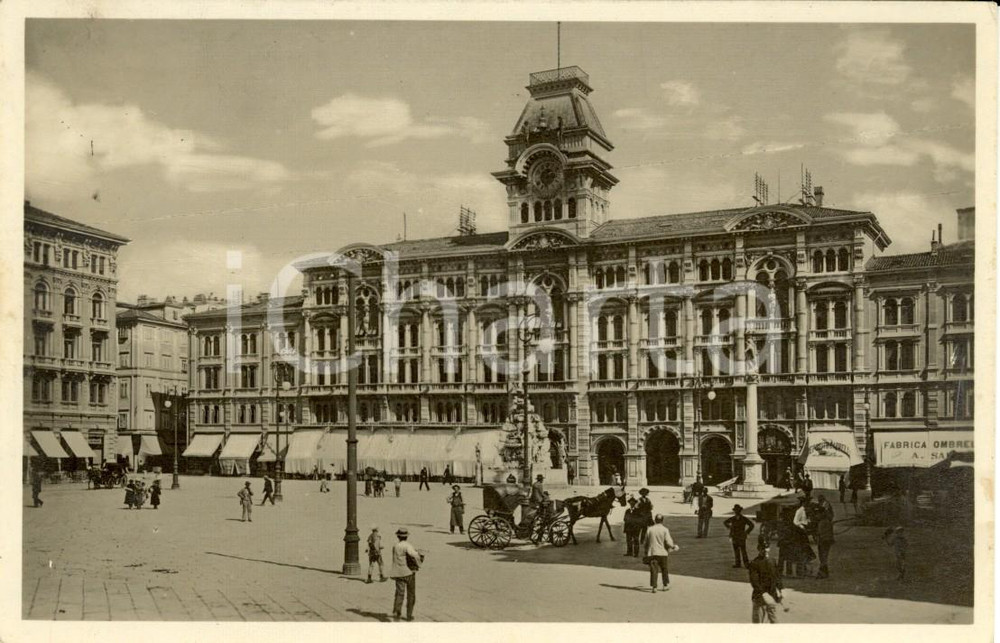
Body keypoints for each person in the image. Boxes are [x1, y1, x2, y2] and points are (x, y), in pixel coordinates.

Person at [389, 527, 422, 621]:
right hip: (408, 573)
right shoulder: (408, 546)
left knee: (399, 593)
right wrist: (419, 563)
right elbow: (414, 555)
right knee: (411, 594)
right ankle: (409, 615)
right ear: (406, 536)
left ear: (398, 536)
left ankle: (397, 613)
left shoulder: (395, 546)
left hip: (398, 573)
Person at [748, 541, 785, 623]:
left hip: (772, 595)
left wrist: (781, 589)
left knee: (774, 620)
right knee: (758, 622)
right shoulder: (754, 563)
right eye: (763, 549)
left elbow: (777, 577)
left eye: (767, 548)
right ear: (759, 549)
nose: (765, 550)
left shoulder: (772, 561)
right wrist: (763, 593)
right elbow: (754, 581)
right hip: (760, 597)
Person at [644, 514, 679, 592]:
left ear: (655, 520)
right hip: (663, 553)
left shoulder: (650, 529)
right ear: (662, 520)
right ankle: (665, 585)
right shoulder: (665, 530)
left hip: (653, 552)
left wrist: (646, 551)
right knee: (664, 569)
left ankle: (654, 587)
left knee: (653, 570)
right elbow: (668, 541)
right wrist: (673, 547)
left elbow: (646, 542)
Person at [724, 504, 755, 568]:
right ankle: (738, 563)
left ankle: (746, 564)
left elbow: (751, 525)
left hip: (741, 536)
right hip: (735, 536)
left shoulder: (743, 519)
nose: (736, 512)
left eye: (737, 511)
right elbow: (725, 522)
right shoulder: (733, 518)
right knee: (736, 550)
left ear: (739, 511)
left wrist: (746, 532)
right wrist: (729, 527)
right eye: (736, 511)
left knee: (743, 550)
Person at [815, 504, 835, 579]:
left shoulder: (823, 522)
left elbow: (820, 533)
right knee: (823, 557)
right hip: (826, 541)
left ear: (821, 513)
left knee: (823, 557)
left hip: (824, 541)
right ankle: (825, 573)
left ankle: (821, 573)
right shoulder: (826, 520)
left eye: (818, 514)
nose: (817, 515)